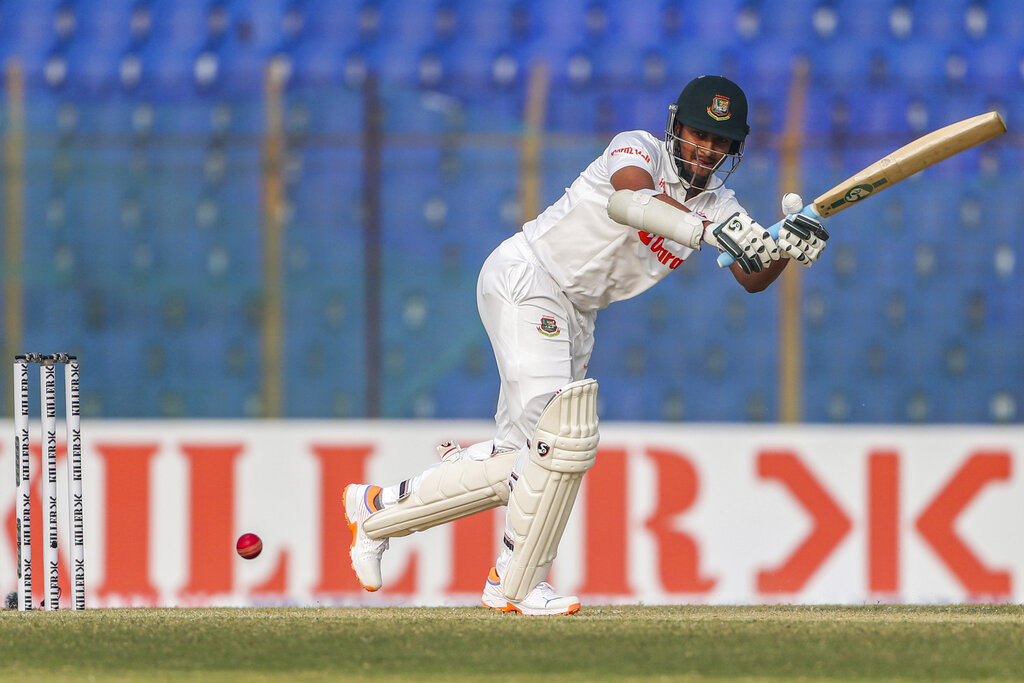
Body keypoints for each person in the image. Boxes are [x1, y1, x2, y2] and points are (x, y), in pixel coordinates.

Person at [342, 75, 830, 615]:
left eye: (720, 142)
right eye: (698, 135)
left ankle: (377, 510)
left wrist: (785, 244)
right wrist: (709, 233)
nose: (706, 150)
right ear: (676, 129)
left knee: (518, 463)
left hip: (576, 315)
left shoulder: (721, 204)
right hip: (530, 279)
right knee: (563, 440)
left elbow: (751, 276)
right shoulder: (636, 149)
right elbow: (629, 200)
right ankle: (515, 583)